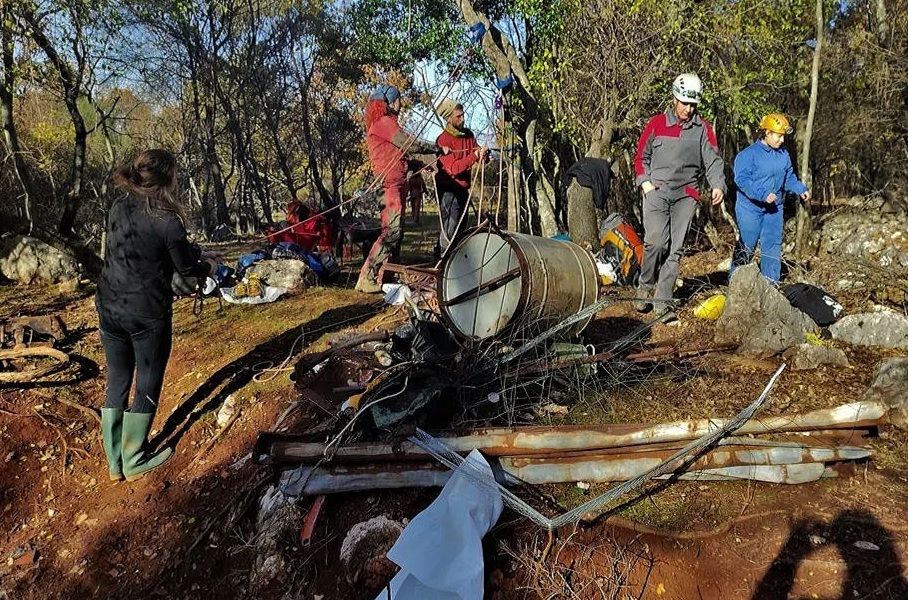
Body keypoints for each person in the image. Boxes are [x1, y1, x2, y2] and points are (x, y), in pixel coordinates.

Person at [96, 149, 218, 482]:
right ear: (168, 178)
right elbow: (187, 271)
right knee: (148, 379)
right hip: (146, 314)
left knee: (118, 377)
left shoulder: (118, 207)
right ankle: (134, 457)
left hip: (109, 306)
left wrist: (195, 251)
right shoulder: (168, 219)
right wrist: (208, 264)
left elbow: (145, 250)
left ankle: (114, 462)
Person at [633, 73, 726, 320]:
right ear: (675, 98)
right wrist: (646, 184)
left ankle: (662, 302)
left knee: (675, 249)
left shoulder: (703, 129)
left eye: (693, 104)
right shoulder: (656, 124)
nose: (688, 108)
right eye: (684, 103)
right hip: (657, 191)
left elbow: (713, 160)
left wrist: (718, 184)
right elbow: (641, 157)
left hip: (686, 195)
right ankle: (644, 286)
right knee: (656, 242)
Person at [356, 84, 447, 293]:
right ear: (388, 103)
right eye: (397, 99)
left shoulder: (386, 124)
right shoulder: (384, 122)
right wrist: (437, 148)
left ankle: (384, 275)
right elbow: (409, 144)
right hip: (389, 187)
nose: (401, 103)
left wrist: (422, 164)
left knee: (397, 231)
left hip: (396, 185)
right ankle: (367, 275)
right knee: (392, 231)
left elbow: (402, 154)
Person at [730, 113, 810, 282]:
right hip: (749, 208)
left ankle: (771, 284)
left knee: (772, 245)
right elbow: (741, 179)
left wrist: (800, 189)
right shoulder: (748, 155)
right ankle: (735, 282)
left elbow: (789, 178)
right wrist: (763, 194)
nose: (782, 140)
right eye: (779, 136)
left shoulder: (783, 155)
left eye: (783, 136)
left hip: (774, 208)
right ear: (767, 132)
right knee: (747, 244)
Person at [434, 99, 488, 260]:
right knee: (450, 230)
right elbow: (454, 168)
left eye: (463, 115)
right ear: (448, 118)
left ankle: (453, 261)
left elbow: (476, 153)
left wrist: (484, 154)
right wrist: (474, 156)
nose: (462, 119)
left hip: (463, 189)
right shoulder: (443, 140)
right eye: (458, 116)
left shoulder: (468, 135)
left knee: (461, 228)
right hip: (448, 190)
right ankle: (442, 262)